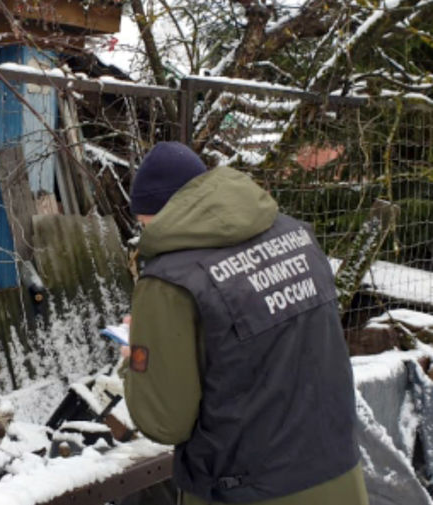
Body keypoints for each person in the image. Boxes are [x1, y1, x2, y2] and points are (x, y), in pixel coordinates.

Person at [120, 141, 368, 505]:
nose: (142, 233)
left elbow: (164, 420)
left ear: (160, 214)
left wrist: (136, 358)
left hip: (243, 491)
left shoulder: (171, 280)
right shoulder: (297, 236)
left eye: (142, 223)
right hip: (339, 476)